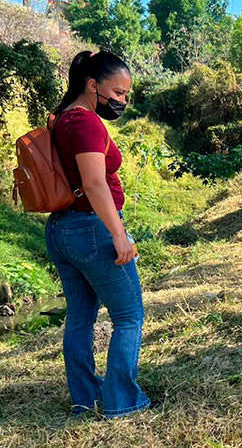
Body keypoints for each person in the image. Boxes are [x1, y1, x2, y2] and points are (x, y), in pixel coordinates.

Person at [45, 51, 150, 418]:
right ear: (93, 85)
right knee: (129, 315)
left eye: (125, 95)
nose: (121, 101)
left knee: (80, 317)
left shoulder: (61, 119)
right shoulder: (86, 123)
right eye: (117, 93)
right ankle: (123, 401)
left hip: (61, 228)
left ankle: (85, 400)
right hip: (91, 227)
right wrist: (119, 234)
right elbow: (93, 183)